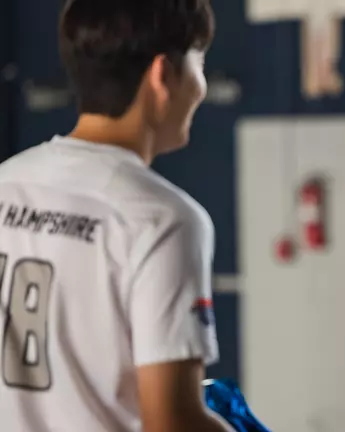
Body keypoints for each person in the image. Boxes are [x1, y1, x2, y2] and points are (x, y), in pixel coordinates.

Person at [0, 0, 233, 430]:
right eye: (199, 63)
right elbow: (172, 423)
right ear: (163, 74)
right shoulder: (163, 219)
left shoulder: (7, 181)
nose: (201, 87)